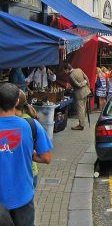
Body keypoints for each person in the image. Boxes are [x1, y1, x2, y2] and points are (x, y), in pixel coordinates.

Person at [0, 83, 53, 226]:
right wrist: (30, 154)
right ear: (17, 102)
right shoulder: (31, 125)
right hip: (22, 195)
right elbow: (46, 158)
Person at [14, 90, 40, 188]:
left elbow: (46, 157)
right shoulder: (32, 121)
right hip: (31, 172)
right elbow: (45, 156)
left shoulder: (21, 123)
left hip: (22, 174)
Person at [64, 63, 91, 131]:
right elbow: (86, 78)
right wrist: (88, 87)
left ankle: (81, 125)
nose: (64, 72)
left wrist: (82, 84)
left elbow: (78, 85)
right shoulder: (79, 69)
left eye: (65, 70)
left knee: (80, 109)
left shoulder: (71, 76)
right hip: (86, 91)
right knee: (83, 108)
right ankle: (81, 123)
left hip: (79, 94)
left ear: (67, 69)